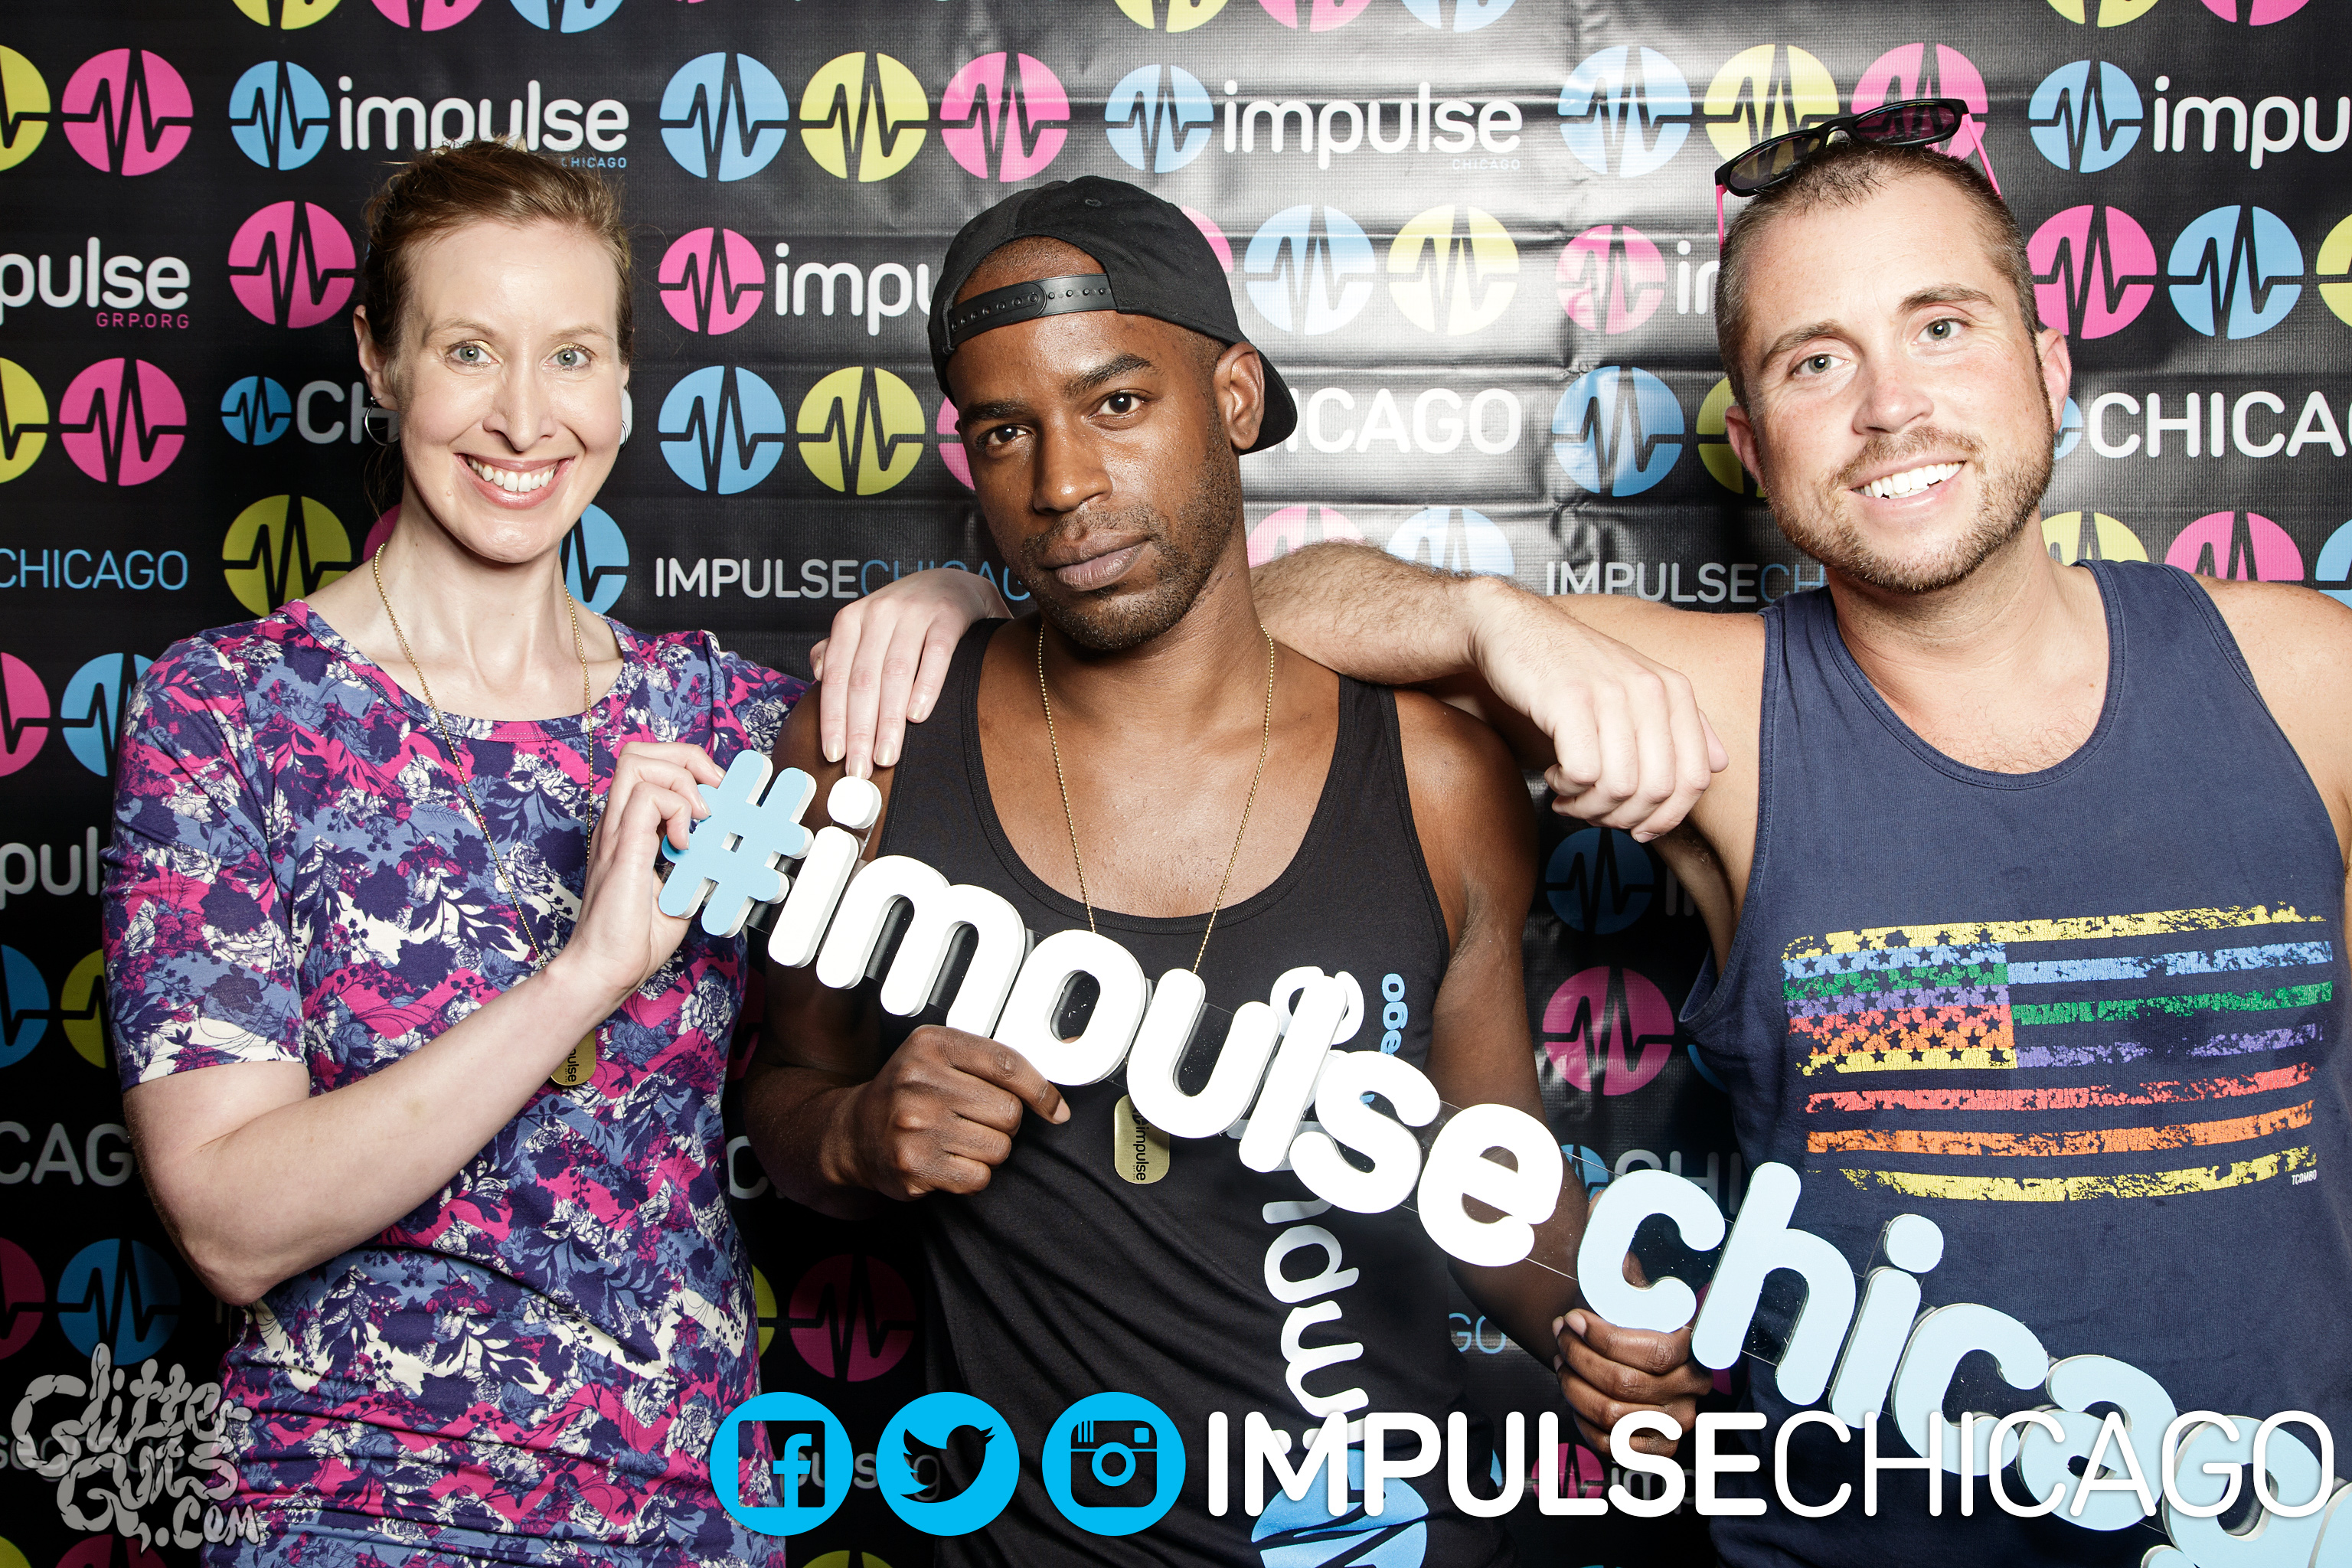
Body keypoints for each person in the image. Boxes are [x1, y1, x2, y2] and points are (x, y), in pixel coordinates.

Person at [832, 141, 2352, 1564]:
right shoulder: (1716, 704)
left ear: (2051, 363)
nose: (1890, 406)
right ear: (1752, 440)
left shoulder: (2306, 677)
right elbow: (1231, 616)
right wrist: (983, 609)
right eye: (1816, 362)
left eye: (1941, 327)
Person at [744, 175, 1710, 1565]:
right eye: (1007, 431)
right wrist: (850, 1133)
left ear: (1238, 400)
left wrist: (1603, 1326)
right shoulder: (869, 756)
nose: (1064, 485)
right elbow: (783, 1087)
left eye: (1117, 403)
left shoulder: (1437, 781)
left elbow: (1486, 1174)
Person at [103, 141, 797, 1567]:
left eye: (571, 356)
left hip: (689, 1516)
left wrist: (944, 597)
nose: (524, 418)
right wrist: (586, 976)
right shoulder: (226, 712)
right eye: (469, 350)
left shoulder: (723, 717)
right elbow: (230, 1223)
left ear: (624, 383)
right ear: (379, 358)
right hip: (353, 1510)